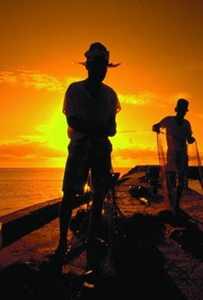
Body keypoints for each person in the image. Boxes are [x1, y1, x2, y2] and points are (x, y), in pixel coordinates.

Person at [54, 42, 121, 258]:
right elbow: (72, 120)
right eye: (97, 67)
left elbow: (112, 127)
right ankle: (62, 242)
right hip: (80, 147)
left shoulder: (110, 94)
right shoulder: (74, 90)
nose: (101, 71)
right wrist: (96, 129)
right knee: (69, 195)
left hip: (101, 147)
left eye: (103, 68)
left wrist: (105, 129)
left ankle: (91, 238)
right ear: (87, 68)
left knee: (99, 193)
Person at [152, 98, 195, 213]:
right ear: (177, 110)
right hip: (171, 153)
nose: (183, 112)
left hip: (182, 154)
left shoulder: (187, 124)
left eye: (184, 110)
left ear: (186, 111)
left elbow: (189, 138)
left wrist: (191, 139)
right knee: (171, 178)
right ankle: (171, 202)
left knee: (181, 179)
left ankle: (176, 204)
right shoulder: (168, 120)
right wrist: (156, 128)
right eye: (181, 109)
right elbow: (155, 126)